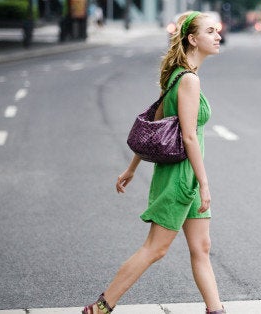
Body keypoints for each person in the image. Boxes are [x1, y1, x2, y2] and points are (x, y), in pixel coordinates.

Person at [82, 11, 225, 314]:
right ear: (192, 39)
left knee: (201, 248)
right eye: (210, 31)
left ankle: (216, 310)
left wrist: (132, 168)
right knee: (155, 248)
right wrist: (204, 183)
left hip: (186, 174)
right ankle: (102, 306)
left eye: (218, 31)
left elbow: (154, 126)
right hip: (180, 177)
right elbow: (187, 137)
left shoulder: (177, 76)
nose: (217, 36)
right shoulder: (187, 80)